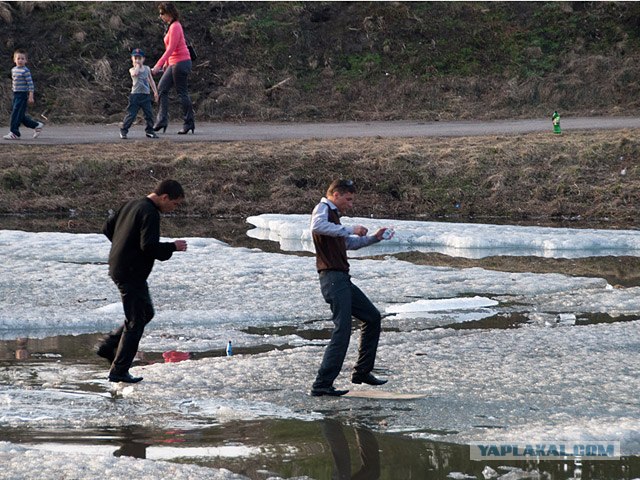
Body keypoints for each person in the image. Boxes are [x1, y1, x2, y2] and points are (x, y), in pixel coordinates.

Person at [98, 179, 188, 383]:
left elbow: (107, 228)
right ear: (164, 197)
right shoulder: (150, 213)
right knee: (136, 320)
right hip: (130, 271)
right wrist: (173, 247)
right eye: (175, 204)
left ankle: (109, 346)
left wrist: (124, 245)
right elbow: (149, 247)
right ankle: (119, 371)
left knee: (145, 313)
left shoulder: (131, 204)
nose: (174, 209)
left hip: (122, 267)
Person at [309, 179, 393, 397]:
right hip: (332, 279)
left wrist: (374, 238)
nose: (351, 204)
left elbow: (349, 243)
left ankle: (362, 372)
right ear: (335, 195)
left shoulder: (334, 219)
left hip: (341, 279)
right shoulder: (323, 209)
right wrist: (350, 228)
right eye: (348, 199)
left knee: (372, 317)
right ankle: (321, 385)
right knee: (342, 330)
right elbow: (316, 226)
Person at [151, 2, 195, 135]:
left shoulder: (176, 26)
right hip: (174, 63)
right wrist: (166, 64)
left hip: (181, 62)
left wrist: (159, 64)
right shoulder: (170, 27)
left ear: (169, 13)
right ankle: (162, 120)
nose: (160, 16)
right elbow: (170, 49)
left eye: (162, 13)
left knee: (182, 92)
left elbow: (171, 48)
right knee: (162, 88)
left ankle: (189, 123)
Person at [3, 49, 44, 140]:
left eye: (22, 59)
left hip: (22, 94)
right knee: (19, 115)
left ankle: (14, 132)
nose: (20, 60)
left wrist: (31, 95)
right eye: (18, 58)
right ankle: (36, 125)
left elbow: (30, 84)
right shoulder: (13, 70)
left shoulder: (25, 71)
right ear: (14, 60)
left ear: (26, 60)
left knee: (15, 114)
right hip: (16, 94)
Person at [120, 48, 159, 140]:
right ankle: (124, 130)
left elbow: (151, 80)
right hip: (135, 95)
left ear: (143, 59)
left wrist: (155, 91)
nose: (137, 60)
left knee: (149, 114)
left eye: (139, 58)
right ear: (132, 59)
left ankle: (149, 131)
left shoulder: (147, 69)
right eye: (135, 58)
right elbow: (135, 74)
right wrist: (137, 66)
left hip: (145, 95)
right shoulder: (132, 69)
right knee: (132, 114)